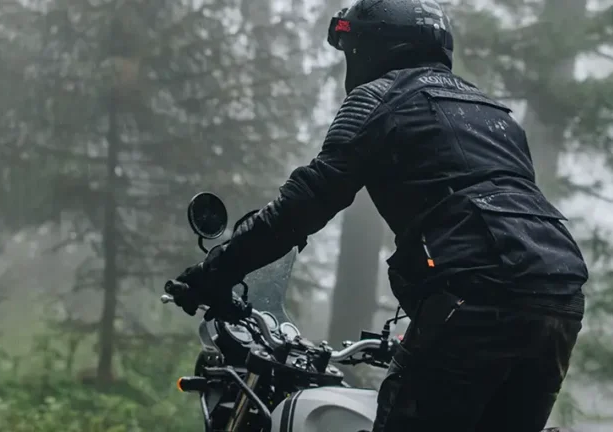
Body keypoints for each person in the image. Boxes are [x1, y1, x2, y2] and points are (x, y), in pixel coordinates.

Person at [166, 0, 589, 430]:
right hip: (559, 298)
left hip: (474, 296)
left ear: (374, 46)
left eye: (351, 47)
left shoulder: (380, 97)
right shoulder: (493, 115)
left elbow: (304, 202)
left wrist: (214, 272)